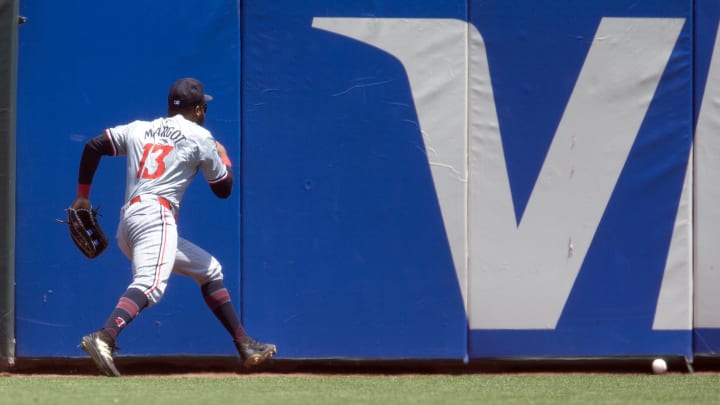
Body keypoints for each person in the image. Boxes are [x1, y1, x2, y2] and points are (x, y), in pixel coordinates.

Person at [71, 77, 276, 377]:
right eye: (202, 107)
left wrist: (82, 196)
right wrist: (223, 156)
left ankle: (244, 343)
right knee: (150, 286)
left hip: (129, 223)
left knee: (209, 269)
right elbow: (223, 189)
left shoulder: (140, 127)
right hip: (157, 217)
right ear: (195, 111)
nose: (204, 111)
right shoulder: (200, 136)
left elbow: (94, 146)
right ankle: (105, 337)